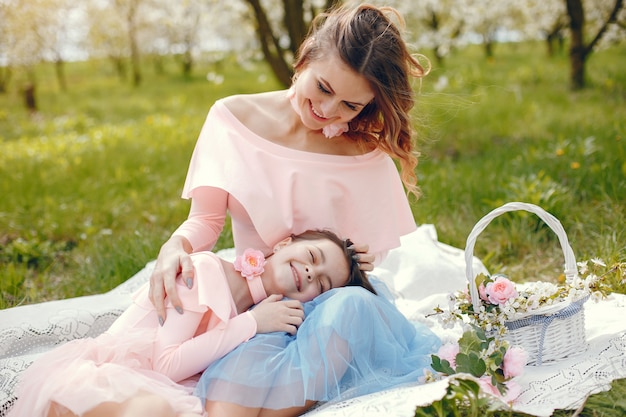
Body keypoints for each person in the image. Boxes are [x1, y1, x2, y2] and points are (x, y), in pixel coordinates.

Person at [148, 3, 441, 416]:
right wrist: (173, 247)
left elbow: (365, 260)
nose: (329, 112)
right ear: (303, 60)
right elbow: (207, 219)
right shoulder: (232, 118)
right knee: (234, 395)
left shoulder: (363, 154)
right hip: (262, 302)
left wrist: (357, 260)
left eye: (351, 105)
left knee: (344, 311)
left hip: (330, 301)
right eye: (323, 88)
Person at [7, 229, 374, 417]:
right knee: (154, 412)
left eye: (322, 284)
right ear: (283, 243)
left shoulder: (256, 315)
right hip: (106, 375)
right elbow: (163, 363)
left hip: (153, 387)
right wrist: (250, 324)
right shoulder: (205, 271)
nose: (311, 273)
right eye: (311, 256)